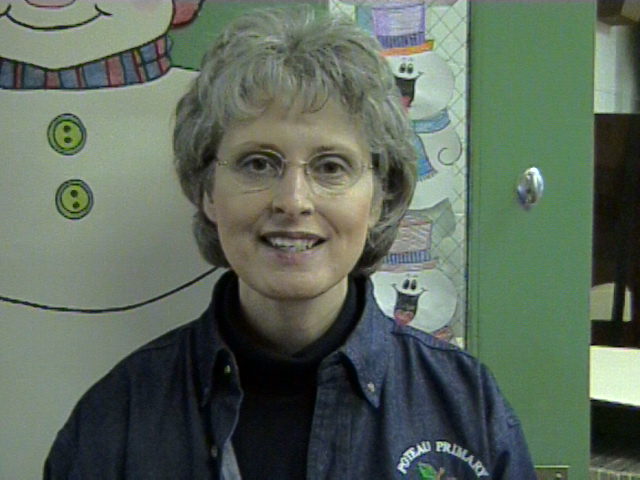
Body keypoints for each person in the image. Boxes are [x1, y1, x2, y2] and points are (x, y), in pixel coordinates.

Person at [44, 6, 537, 479]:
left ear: (380, 197)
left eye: (331, 167)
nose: (293, 200)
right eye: (258, 163)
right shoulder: (116, 419)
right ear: (208, 190)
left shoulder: (467, 408)